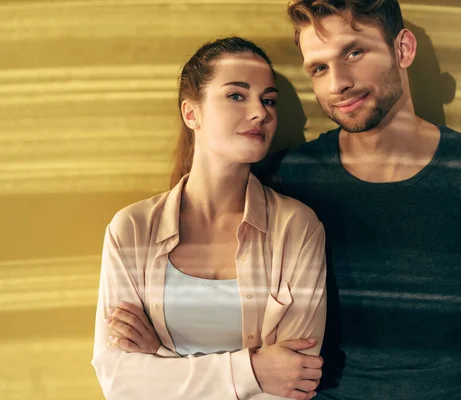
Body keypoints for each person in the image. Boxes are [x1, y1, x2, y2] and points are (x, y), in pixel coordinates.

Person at [256, 1, 461, 399]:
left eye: (354, 52)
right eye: (319, 68)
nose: (337, 83)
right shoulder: (288, 177)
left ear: (403, 49)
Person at [92, 37, 327, 400]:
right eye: (236, 95)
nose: (260, 112)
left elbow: (294, 381)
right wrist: (254, 370)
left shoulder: (297, 228)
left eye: (268, 100)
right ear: (191, 113)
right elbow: (119, 381)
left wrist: (159, 356)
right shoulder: (132, 229)